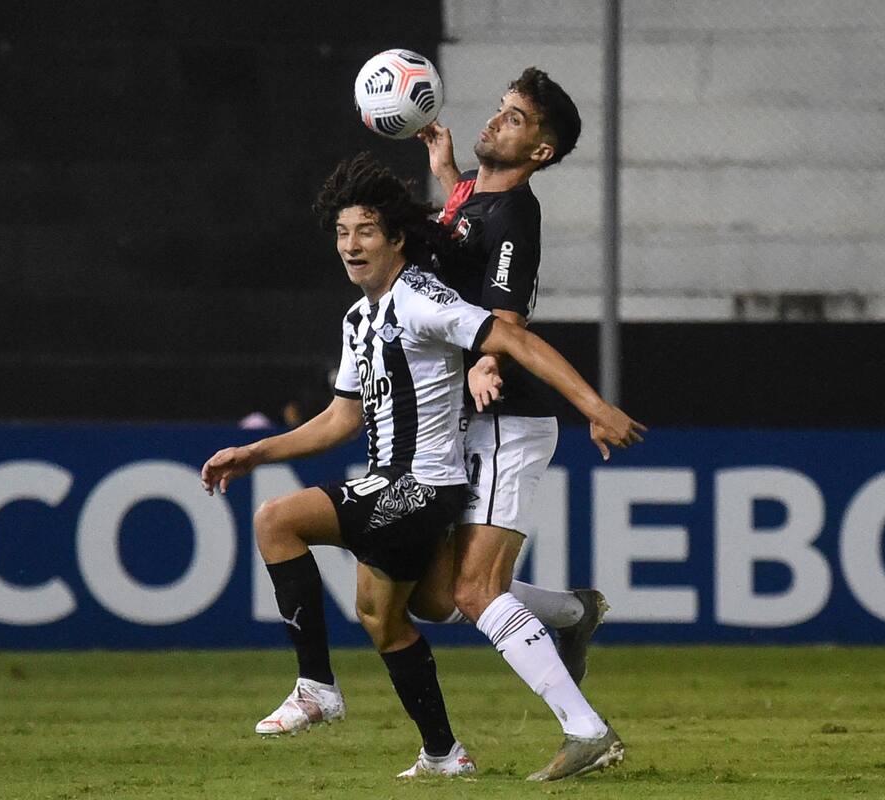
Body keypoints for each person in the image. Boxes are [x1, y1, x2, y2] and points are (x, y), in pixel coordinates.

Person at [200, 153, 643, 779]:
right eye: (342, 233)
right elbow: (340, 420)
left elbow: (512, 339)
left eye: (366, 232)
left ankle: (317, 687)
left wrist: (595, 407)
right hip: (392, 483)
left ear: (397, 238)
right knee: (402, 612)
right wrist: (254, 451)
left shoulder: (421, 298)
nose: (352, 246)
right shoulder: (361, 317)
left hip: (421, 487)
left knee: (278, 521)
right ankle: (444, 754)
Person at [412, 67, 623, 781]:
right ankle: (570, 613)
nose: (497, 121)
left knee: (475, 591)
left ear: (540, 151)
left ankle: (587, 730)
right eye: (501, 109)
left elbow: (504, 323)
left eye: (515, 118)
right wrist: (446, 176)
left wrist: (483, 363)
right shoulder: (476, 197)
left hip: (507, 419)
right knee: (437, 594)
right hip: (468, 420)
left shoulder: (515, 217)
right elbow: (461, 256)